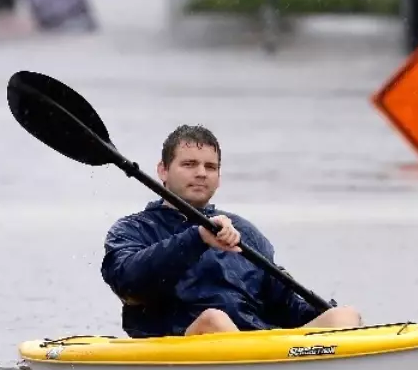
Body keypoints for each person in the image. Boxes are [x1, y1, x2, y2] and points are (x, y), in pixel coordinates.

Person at [100, 124, 362, 338]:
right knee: (214, 320)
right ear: (163, 170)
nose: (201, 173)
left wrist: (319, 314)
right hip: (185, 340)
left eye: (210, 167)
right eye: (189, 164)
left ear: (219, 177)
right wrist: (197, 238)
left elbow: (283, 304)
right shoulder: (132, 230)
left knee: (345, 315)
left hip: (255, 342)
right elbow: (127, 283)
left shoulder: (244, 231)